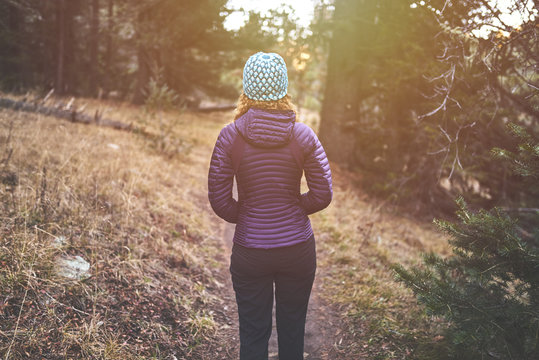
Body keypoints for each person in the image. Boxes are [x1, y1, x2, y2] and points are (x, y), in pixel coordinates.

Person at [208, 52, 332, 360]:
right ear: (284, 88)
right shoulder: (303, 135)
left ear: (247, 88)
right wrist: (292, 208)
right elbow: (322, 194)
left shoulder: (230, 136)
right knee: (292, 332)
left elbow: (220, 201)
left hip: (250, 253)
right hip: (298, 249)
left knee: (253, 335)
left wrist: (250, 216)